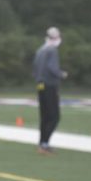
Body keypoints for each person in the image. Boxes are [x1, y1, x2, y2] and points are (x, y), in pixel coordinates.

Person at [32, 26, 67, 154]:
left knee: (44, 116)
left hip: (40, 85)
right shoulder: (52, 50)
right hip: (50, 85)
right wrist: (61, 74)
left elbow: (35, 69)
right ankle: (45, 143)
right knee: (54, 116)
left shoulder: (40, 50)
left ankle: (42, 143)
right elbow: (52, 68)